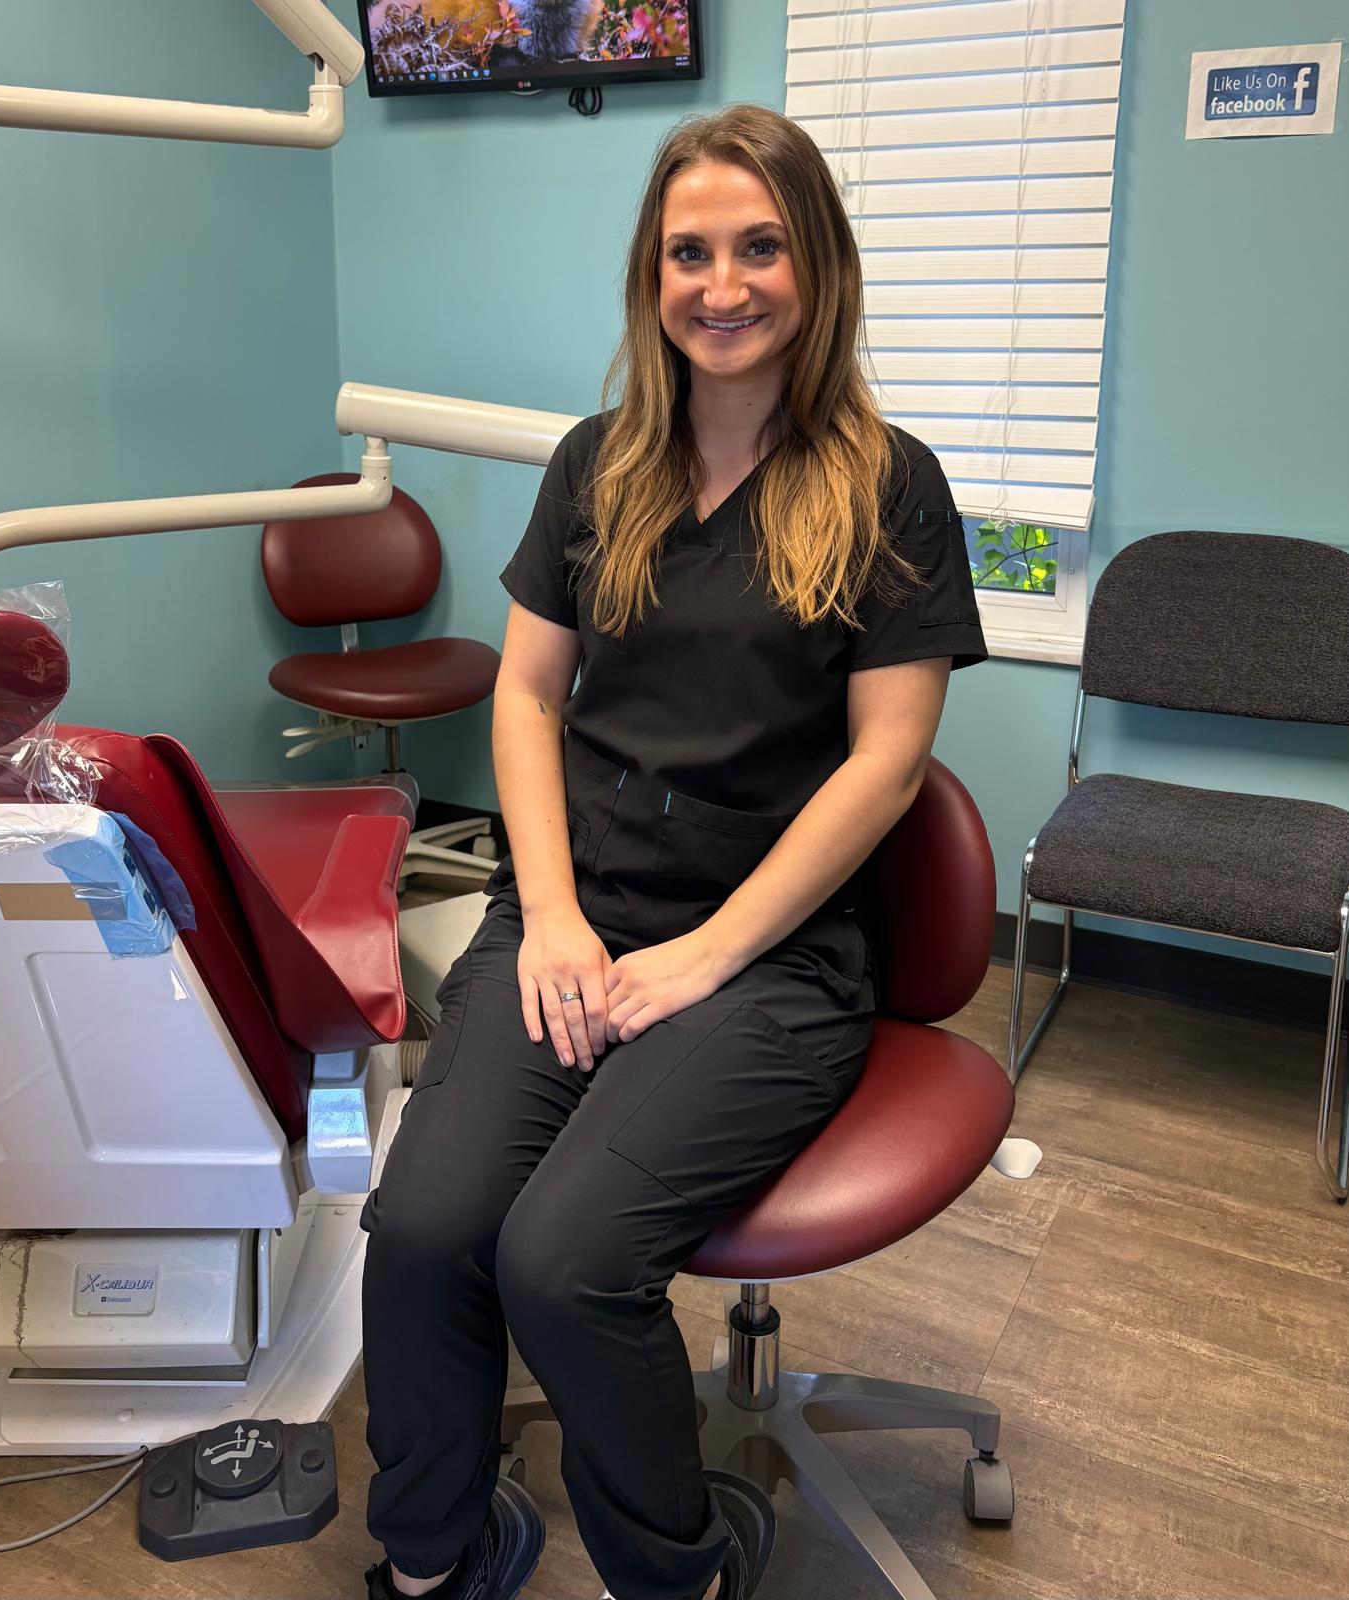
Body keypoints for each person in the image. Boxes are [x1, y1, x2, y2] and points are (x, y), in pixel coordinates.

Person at [358, 103, 987, 1600]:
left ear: (816, 265)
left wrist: (704, 956)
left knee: (562, 1261)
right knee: (424, 1228)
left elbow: (888, 763)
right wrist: (558, 922)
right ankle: (437, 1554)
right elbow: (523, 694)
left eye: (759, 246)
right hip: (573, 917)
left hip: (764, 956)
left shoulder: (887, 483)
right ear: (651, 276)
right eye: (688, 251)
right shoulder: (599, 464)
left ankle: (677, 1565)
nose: (723, 284)